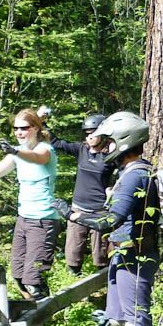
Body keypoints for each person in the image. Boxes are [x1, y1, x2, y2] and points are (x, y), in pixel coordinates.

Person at [53, 111, 160, 326]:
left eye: (109, 142)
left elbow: (111, 220)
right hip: (123, 253)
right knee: (118, 320)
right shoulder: (129, 173)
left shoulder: (135, 176)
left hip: (135, 255)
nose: (105, 147)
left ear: (124, 141)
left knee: (137, 323)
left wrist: (73, 216)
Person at [0, 108, 59, 300]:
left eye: (24, 128)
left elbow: (37, 158)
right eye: (16, 128)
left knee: (34, 279)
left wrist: (16, 151)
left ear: (36, 128)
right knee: (18, 275)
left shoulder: (45, 149)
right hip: (23, 219)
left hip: (43, 220)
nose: (18, 133)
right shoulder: (17, 153)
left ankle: (43, 309)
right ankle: (32, 309)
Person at [51, 113, 114, 275]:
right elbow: (55, 142)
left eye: (93, 133)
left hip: (100, 212)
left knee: (101, 256)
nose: (90, 137)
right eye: (87, 134)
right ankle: (73, 282)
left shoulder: (111, 156)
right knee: (73, 254)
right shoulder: (81, 150)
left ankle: (104, 285)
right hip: (77, 209)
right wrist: (39, 121)